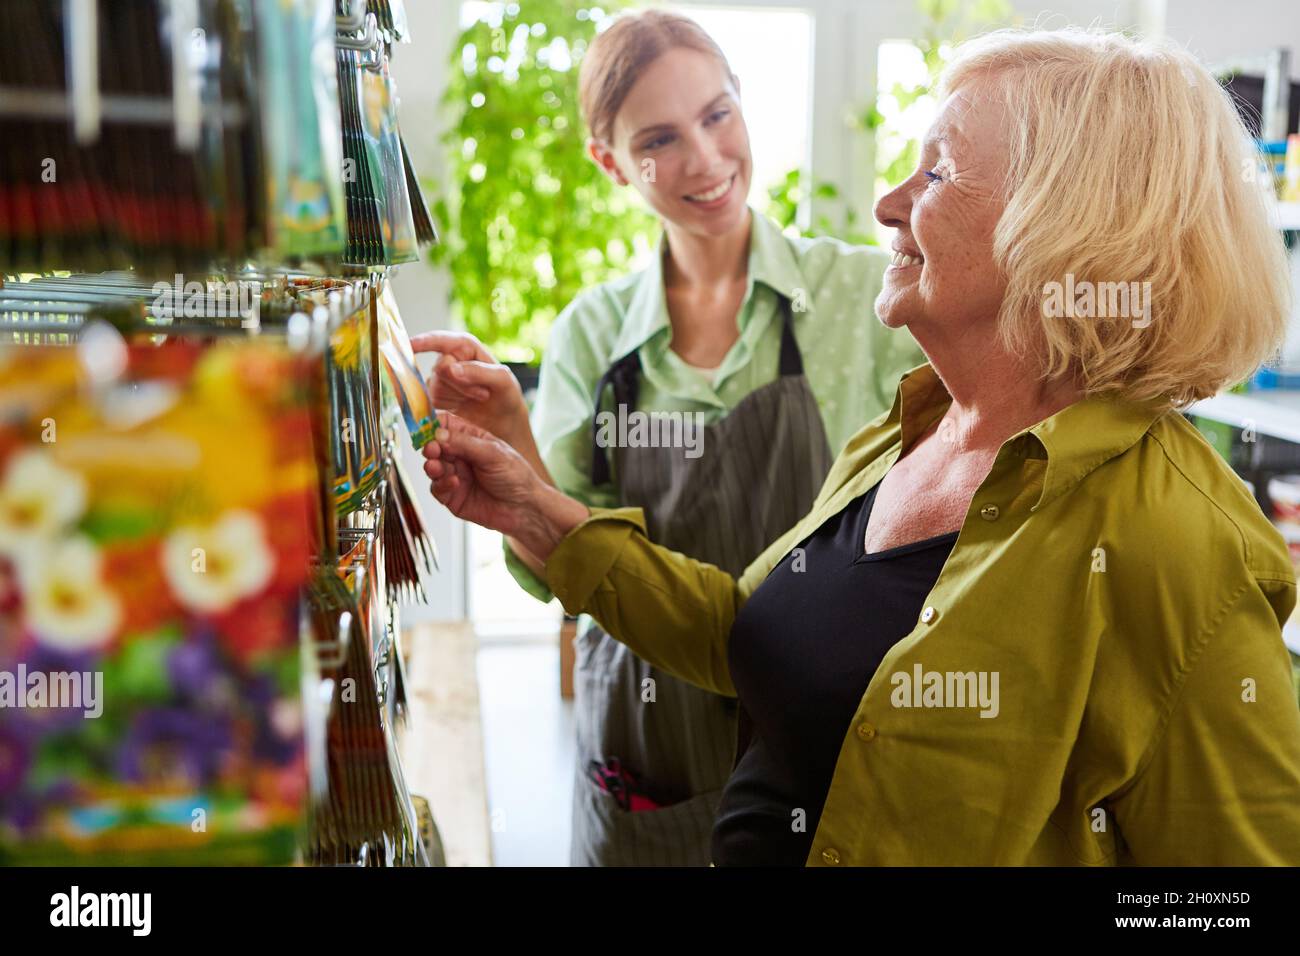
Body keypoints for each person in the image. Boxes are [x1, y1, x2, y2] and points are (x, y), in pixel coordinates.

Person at [422, 26, 1300, 865]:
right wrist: (530, 510)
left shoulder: (1182, 549)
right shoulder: (911, 429)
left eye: (938, 173)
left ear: (1067, 224)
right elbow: (749, 635)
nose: (886, 205)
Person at [413, 10, 922, 866]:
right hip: (650, 749)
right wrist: (509, 439)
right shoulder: (593, 334)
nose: (705, 159)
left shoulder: (863, 297)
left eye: (717, 115)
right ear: (610, 161)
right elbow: (559, 569)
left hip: (826, 744)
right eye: (659, 140)